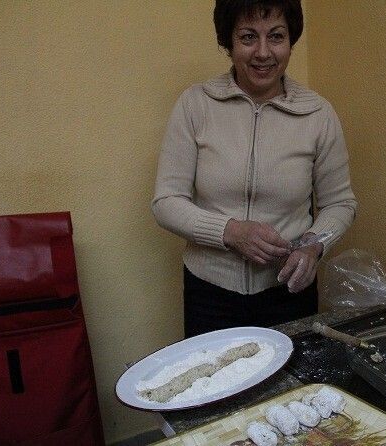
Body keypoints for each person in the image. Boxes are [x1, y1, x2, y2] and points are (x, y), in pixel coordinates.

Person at [152, 0, 357, 337]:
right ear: (229, 43)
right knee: (215, 373)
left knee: (293, 374)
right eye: (248, 37)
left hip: (289, 290)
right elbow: (166, 202)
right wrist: (230, 232)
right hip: (209, 294)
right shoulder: (195, 105)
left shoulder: (319, 115)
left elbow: (340, 203)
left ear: (291, 40)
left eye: (276, 36)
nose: (263, 52)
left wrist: (313, 244)